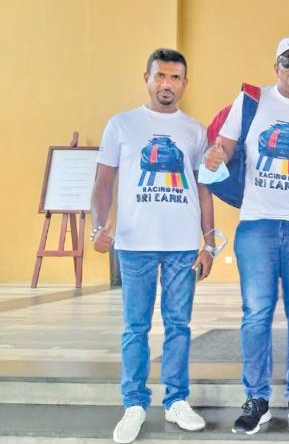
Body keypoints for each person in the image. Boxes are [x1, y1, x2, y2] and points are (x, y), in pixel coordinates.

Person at [204, 36, 289, 435]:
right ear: (276, 65)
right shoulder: (249, 103)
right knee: (256, 314)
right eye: (288, 60)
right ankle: (257, 399)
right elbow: (225, 148)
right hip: (257, 224)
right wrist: (217, 155)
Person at [92, 48, 215, 444]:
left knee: (179, 326)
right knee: (136, 327)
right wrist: (98, 225)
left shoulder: (195, 131)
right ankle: (134, 404)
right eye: (160, 76)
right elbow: (103, 183)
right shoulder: (122, 125)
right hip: (134, 244)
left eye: (175, 77)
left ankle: (177, 400)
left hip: (181, 243)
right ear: (146, 77)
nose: (167, 84)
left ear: (185, 82)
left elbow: (204, 190)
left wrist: (209, 243)